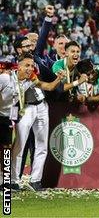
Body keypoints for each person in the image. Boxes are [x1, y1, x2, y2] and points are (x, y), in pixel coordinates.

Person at [9, 54, 65, 191]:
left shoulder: (33, 77)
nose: (30, 68)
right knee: (19, 145)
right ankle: (13, 180)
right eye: (27, 65)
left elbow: (49, 87)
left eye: (32, 65)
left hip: (41, 107)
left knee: (42, 145)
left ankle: (35, 180)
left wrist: (58, 79)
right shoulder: (9, 78)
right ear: (18, 65)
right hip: (24, 109)